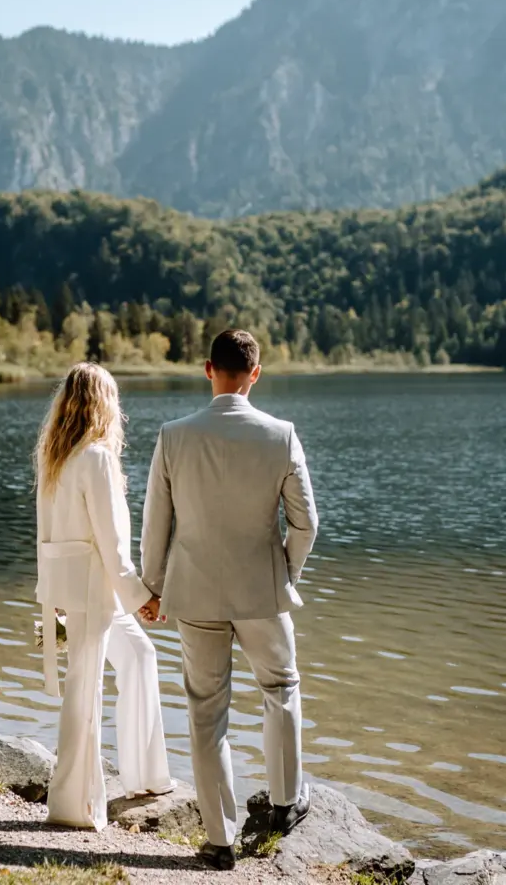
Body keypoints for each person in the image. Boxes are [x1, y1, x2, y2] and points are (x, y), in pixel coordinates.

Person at [139, 329, 319, 870]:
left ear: (206, 369)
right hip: (262, 593)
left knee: (205, 711)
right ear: (255, 374)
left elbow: (156, 525)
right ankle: (287, 804)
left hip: (193, 593)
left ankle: (219, 841)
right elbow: (306, 524)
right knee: (281, 687)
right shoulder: (281, 435)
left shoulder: (173, 436)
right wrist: (282, 572)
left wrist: (153, 588)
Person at [34, 362, 173, 830]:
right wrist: (143, 598)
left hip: (80, 588)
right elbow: (112, 544)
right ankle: (72, 805)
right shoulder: (94, 457)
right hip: (97, 589)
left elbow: (45, 534)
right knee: (85, 687)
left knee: (139, 656)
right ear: (103, 404)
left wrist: (46, 591)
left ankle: (146, 775)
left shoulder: (56, 455)